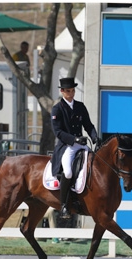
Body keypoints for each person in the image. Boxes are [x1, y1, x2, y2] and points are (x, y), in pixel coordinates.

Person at [50, 77, 100, 219]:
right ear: (62, 91)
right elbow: (58, 132)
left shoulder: (80, 106)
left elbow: (88, 125)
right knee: (68, 172)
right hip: (67, 146)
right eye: (68, 91)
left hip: (81, 144)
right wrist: (74, 139)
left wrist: (94, 137)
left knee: (93, 165)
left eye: (72, 91)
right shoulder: (57, 109)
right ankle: (64, 206)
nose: (71, 94)